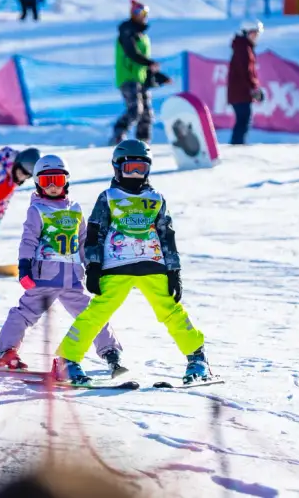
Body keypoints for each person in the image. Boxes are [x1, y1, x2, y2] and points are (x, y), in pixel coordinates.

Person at [50, 139, 211, 385]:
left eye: (141, 168)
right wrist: (93, 266)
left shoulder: (156, 198)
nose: (135, 174)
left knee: (170, 310)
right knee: (97, 312)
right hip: (116, 266)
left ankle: (197, 357)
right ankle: (67, 359)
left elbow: (166, 235)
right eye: (130, 168)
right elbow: (95, 233)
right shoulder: (109, 197)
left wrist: (173, 270)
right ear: (117, 168)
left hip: (152, 264)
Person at [0, 154, 126, 377]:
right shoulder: (37, 210)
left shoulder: (75, 209)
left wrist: (93, 267)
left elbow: (83, 241)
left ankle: (110, 352)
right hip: (43, 277)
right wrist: (24, 266)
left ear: (66, 180)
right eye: (47, 182)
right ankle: (3, 351)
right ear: (38, 183)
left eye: (58, 179)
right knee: (24, 314)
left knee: (92, 314)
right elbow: (28, 240)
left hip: (72, 278)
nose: (54, 186)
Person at [112, 0, 166, 145]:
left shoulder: (144, 37)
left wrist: (158, 76)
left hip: (140, 78)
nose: (141, 16)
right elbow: (132, 53)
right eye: (137, 12)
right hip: (128, 77)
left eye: (143, 13)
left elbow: (144, 62)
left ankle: (143, 143)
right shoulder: (126, 31)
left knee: (147, 115)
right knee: (135, 110)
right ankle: (118, 133)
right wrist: (150, 63)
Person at [227, 20, 266, 145]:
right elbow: (246, 71)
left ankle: (237, 145)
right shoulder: (243, 48)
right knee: (243, 121)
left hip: (241, 92)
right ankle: (237, 147)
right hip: (241, 92)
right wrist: (254, 88)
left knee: (243, 120)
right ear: (246, 33)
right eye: (254, 33)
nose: (256, 37)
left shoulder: (243, 47)